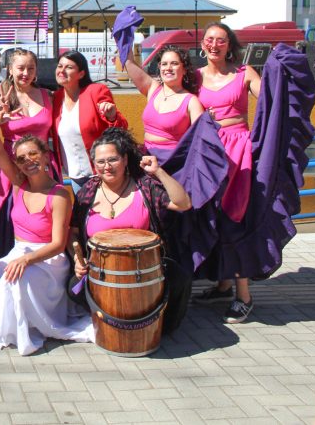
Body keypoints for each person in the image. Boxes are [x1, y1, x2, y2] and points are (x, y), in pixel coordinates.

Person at [0, 106, 94, 356]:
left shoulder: (60, 194)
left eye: (33, 154)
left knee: (16, 279)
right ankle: (11, 326)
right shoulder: (19, 185)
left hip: (49, 260)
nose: (28, 161)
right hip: (19, 252)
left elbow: (57, 243)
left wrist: (27, 259)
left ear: (45, 157)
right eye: (21, 158)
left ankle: (24, 330)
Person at [70, 128, 192, 333]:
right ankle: (112, 319)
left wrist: (158, 172)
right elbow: (73, 232)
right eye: (100, 162)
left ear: (125, 160)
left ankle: (160, 326)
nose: (106, 167)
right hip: (101, 268)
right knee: (72, 288)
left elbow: (183, 203)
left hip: (145, 267)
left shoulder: (144, 187)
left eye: (113, 160)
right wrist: (76, 259)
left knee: (180, 279)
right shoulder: (87, 193)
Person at [190, 22, 262, 323]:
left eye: (221, 40)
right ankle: (222, 284)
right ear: (203, 45)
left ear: (229, 45)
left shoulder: (245, 74)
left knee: (235, 218)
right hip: (207, 153)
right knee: (212, 218)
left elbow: (271, 100)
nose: (214, 44)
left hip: (238, 153)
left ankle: (243, 296)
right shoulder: (193, 77)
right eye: (209, 39)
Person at [0, 49, 54, 263]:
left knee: (43, 219)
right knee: (5, 222)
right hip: (9, 169)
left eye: (30, 68)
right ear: (10, 69)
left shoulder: (47, 96)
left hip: (42, 167)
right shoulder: (3, 97)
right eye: (20, 68)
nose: (25, 73)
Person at [51, 50, 128, 193]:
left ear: (81, 73)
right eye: (60, 66)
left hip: (101, 172)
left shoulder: (96, 91)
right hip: (74, 176)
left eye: (69, 67)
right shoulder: (55, 98)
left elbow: (121, 127)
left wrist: (112, 116)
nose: (62, 71)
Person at [124, 44, 204, 157]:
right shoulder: (153, 88)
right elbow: (128, 62)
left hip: (172, 162)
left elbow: (200, 139)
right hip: (146, 157)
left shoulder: (191, 101)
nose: (168, 68)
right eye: (164, 64)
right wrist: (123, 36)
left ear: (184, 69)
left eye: (174, 63)